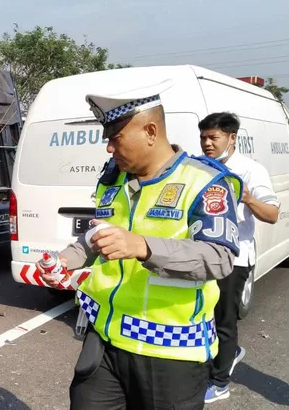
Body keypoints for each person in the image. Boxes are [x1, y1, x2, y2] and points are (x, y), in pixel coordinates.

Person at [40, 80, 242, 410]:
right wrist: (66, 259)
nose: (108, 148)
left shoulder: (205, 182)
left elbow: (219, 259)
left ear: (150, 131)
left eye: (115, 139)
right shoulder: (113, 179)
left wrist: (144, 247)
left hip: (170, 355)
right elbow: (96, 236)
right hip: (105, 340)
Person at [198, 112, 280, 403]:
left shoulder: (250, 170)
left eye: (213, 138)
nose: (207, 143)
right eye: (204, 137)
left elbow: (272, 214)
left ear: (232, 138)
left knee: (224, 320)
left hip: (234, 257)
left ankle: (220, 382)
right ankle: (219, 357)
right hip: (202, 255)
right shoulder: (200, 166)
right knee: (203, 314)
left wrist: (247, 198)